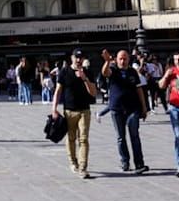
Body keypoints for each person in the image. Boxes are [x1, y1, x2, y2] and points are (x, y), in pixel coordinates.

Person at [51, 49, 97, 178]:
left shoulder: (88, 72)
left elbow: (93, 93)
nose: (78, 60)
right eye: (76, 57)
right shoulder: (64, 72)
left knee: (83, 139)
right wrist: (54, 108)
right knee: (71, 138)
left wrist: (85, 79)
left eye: (81, 58)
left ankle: (83, 167)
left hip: (84, 110)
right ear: (72, 58)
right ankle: (73, 162)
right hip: (69, 111)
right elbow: (58, 91)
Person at [102, 49, 149, 174]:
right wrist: (107, 61)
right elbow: (105, 73)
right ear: (116, 60)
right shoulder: (113, 70)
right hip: (116, 109)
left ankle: (139, 163)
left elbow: (139, 90)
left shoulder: (133, 72)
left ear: (129, 59)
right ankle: (125, 161)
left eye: (125, 58)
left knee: (135, 136)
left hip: (132, 109)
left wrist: (144, 108)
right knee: (121, 137)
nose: (123, 61)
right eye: (120, 59)